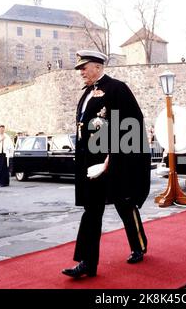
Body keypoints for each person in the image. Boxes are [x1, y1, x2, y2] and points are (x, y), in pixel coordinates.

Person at [62, 50, 151, 279]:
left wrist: (115, 155)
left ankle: (138, 245)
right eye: (80, 68)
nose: (81, 72)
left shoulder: (117, 88)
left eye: (84, 67)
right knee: (92, 211)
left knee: (124, 203)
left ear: (98, 66)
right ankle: (87, 263)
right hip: (90, 164)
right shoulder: (86, 94)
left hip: (113, 161)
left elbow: (132, 123)